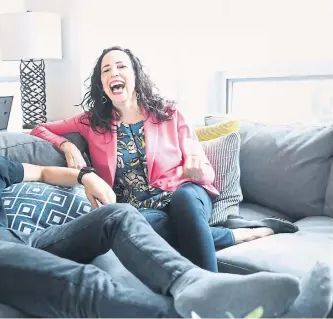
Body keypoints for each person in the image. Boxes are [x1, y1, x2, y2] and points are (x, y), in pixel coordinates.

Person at [0, 89, 331, 318]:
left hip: (16, 240)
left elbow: (43, 171)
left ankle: (194, 283)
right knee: (84, 283)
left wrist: (85, 174)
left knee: (117, 215)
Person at [31, 46, 298, 272]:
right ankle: (244, 233)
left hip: (185, 193)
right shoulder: (92, 122)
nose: (114, 73)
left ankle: (207, 291)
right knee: (131, 227)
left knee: (183, 202)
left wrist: (194, 170)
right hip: (142, 209)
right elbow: (38, 129)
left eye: (121, 66)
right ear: (101, 84)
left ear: (135, 75)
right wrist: (67, 145)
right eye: (106, 70)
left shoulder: (168, 113)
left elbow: (204, 171)